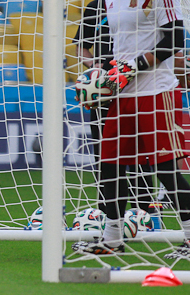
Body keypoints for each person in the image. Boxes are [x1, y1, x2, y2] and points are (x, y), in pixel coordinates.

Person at [72, 0, 190, 260]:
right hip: (122, 94)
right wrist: (98, 78)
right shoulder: (107, 1)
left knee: (165, 169)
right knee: (110, 165)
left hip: (157, 91)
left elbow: (175, 40)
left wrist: (134, 66)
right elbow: (119, 49)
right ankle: (112, 238)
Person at [73, 0, 157, 215]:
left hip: (139, 84)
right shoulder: (95, 6)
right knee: (105, 157)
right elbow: (81, 46)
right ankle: (108, 216)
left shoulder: (144, 4)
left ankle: (145, 214)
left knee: (142, 155)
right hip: (105, 90)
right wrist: (94, 69)